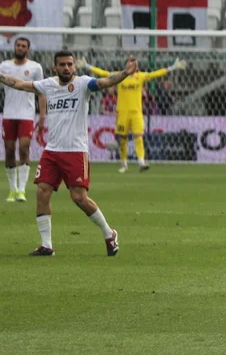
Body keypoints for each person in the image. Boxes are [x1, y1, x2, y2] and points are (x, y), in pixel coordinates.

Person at [0, 52, 135, 257]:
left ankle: (109, 233)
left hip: (76, 151)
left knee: (79, 198)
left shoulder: (83, 84)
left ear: (74, 67)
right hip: (52, 151)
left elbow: (106, 81)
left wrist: (125, 73)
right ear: (55, 67)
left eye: (70, 64)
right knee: (42, 192)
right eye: (62, 64)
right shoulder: (48, 85)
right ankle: (47, 245)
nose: (67, 68)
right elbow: (19, 84)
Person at [84, 58, 185, 173]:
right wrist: (88, 66)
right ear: (126, 65)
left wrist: (172, 67)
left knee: (138, 137)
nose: (133, 66)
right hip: (122, 113)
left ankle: (141, 162)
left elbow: (155, 74)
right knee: (122, 139)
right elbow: (104, 73)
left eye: (134, 64)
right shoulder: (119, 76)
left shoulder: (140, 76)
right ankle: (124, 164)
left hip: (136, 113)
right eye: (130, 63)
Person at [0, 37, 44, 203]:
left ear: (28, 49)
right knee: (9, 150)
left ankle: (21, 190)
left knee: (24, 149)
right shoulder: (4, 66)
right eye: (18, 45)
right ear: (14, 47)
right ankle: (12, 189)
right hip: (9, 114)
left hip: (27, 114)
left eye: (23, 46)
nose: (20, 48)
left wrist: (42, 116)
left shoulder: (35, 67)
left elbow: (41, 92)